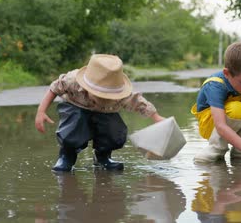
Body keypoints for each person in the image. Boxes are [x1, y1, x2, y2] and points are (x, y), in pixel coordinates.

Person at [35, 54, 165, 172]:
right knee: (72, 129)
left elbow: (138, 102)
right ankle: (66, 156)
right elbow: (54, 88)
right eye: (100, 94)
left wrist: (156, 117)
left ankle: (102, 156)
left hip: (107, 112)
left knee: (115, 133)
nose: (103, 97)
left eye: (108, 95)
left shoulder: (122, 94)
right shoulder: (72, 80)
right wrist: (41, 111)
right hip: (76, 107)